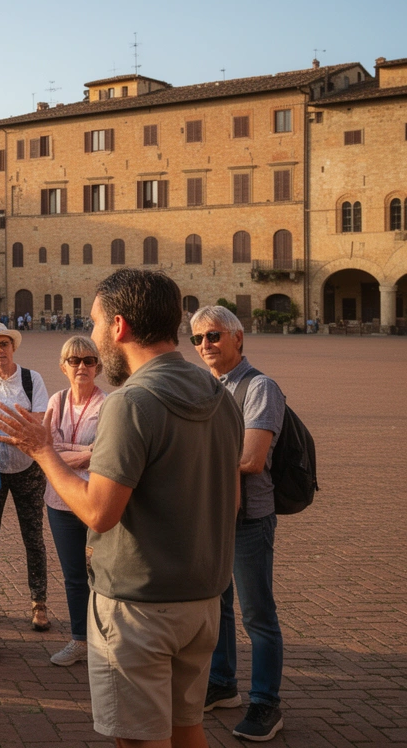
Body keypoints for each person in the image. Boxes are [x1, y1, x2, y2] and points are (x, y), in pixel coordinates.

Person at [0, 269, 241, 748]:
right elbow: (229, 500)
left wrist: (43, 450)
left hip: (140, 607)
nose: (93, 334)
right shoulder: (217, 392)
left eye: (95, 323)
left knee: (138, 739)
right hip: (202, 597)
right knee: (186, 728)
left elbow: (99, 511)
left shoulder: (130, 402)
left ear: (119, 326)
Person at [191, 306, 287, 742]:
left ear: (238, 337)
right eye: (197, 339)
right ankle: (222, 683)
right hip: (213, 513)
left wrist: (189, 462)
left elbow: (252, 458)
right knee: (218, 605)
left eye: (213, 335)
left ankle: (266, 701)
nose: (205, 345)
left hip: (249, 518)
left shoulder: (259, 387)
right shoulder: (204, 387)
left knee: (257, 613)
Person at [0, 321, 51, 631]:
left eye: (3, 344)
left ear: (12, 346)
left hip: (29, 468)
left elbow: (39, 421)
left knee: (33, 537)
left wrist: (0, 425)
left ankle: (39, 602)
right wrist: (17, 421)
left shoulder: (31, 379)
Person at [41, 336, 107, 668]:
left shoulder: (108, 405)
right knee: (74, 575)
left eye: (89, 360)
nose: (82, 366)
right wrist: (85, 452)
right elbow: (47, 448)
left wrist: (64, 452)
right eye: (74, 360)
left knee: (103, 573)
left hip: (95, 499)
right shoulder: (57, 400)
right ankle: (80, 639)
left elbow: (105, 454)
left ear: (98, 366)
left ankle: (106, 640)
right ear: (63, 366)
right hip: (60, 500)